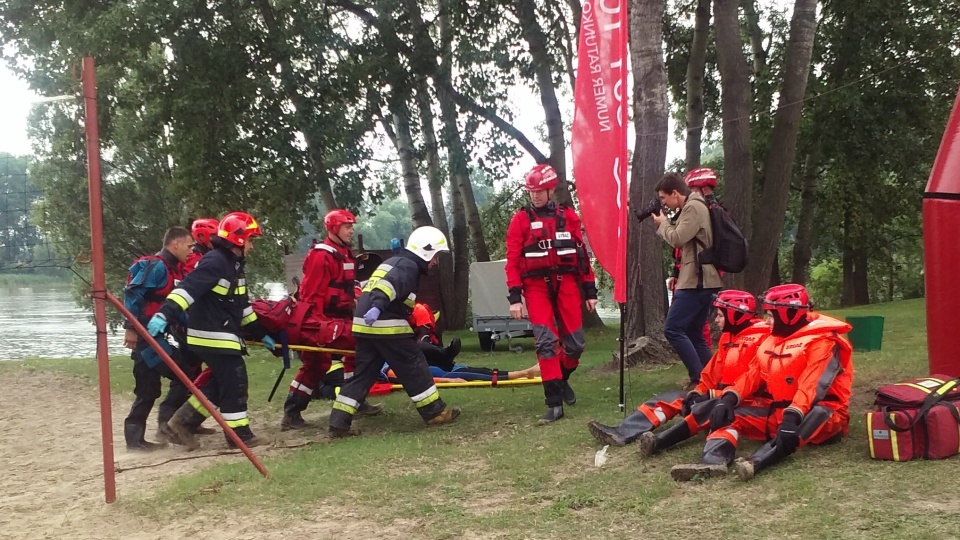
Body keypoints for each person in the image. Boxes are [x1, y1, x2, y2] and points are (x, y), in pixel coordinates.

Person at [669, 284, 854, 481]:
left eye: (771, 316)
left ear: (788, 314)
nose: (767, 321)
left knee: (816, 414)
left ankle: (756, 463)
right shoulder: (774, 339)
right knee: (727, 414)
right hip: (779, 413)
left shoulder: (824, 342)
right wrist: (729, 398)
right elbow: (752, 375)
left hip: (823, 417)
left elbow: (812, 386)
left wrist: (791, 418)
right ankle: (712, 462)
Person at [148, 211, 275, 450]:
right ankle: (240, 436)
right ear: (238, 239)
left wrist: (261, 333)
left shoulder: (233, 265)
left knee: (219, 384)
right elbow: (188, 289)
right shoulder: (216, 261)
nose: (252, 246)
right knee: (236, 382)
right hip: (214, 335)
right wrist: (165, 313)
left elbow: (243, 308)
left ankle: (183, 422)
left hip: (218, 333)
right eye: (250, 240)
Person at [586, 290, 769, 448]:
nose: (715, 320)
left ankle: (660, 442)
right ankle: (623, 432)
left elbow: (752, 381)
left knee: (702, 408)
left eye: (720, 315)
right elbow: (711, 373)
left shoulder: (761, 339)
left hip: (744, 402)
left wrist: (712, 396)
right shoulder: (728, 337)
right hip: (721, 396)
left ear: (736, 314)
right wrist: (698, 392)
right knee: (672, 398)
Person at [328, 226, 461, 437]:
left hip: (364, 325)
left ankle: (338, 422)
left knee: (363, 374)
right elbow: (387, 287)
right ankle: (434, 412)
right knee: (414, 365)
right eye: (435, 255)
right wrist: (378, 306)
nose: (435, 262)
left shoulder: (394, 262)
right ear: (426, 251)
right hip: (384, 324)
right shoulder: (407, 266)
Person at [505, 163, 599, 424]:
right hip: (535, 287)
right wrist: (515, 298)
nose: (535, 196)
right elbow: (512, 261)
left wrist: (590, 290)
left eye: (540, 191)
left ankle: (561, 378)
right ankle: (554, 403)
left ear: (550, 190)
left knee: (576, 344)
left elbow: (581, 254)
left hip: (566, 282)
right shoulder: (520, 220)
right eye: (531, 191)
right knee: (546, 342)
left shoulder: (568, 216)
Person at [281, 209, 383, 430]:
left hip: (341, 315)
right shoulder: (321, 255)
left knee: (358, 353)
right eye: (347, 227)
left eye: (351, 226)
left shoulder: (345, 254)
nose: (351, 230)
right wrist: (316, 327)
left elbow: (346, 287)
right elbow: (310, 295)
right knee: (317, 364)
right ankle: (292, 412)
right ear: (334, 229)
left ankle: (356, 400)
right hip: (320, 319)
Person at [121, 227, 194, 451]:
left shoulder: (175, 270)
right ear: (175, 244)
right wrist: (130, 328)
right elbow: (133, 295)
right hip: (145, 337)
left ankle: (161, 427)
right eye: (189, 246)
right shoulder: (157, 266)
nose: (191, 251)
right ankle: (151, 433)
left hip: (157, 335)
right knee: (168, 381)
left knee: (164, 382)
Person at [652, 171, 723, 390]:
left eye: (664, 198)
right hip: (704, 279)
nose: (664, 203)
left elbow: (677, 238)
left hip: (696, 280)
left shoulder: (693, 207)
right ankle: (714, 379)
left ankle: (697, 379)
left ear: (675, 193)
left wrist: (663, 223)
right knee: (693, 332)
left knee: (672, 329)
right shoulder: (696, 206)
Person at [409, 302, 539, 382]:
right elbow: (403, 377)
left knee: (478, 370)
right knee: (470, 373)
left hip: (432, 365)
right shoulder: (392, 362)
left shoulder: (403, 349)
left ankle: (525, 372)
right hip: (434, 370)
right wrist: (446, 380)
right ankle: (524, 373)